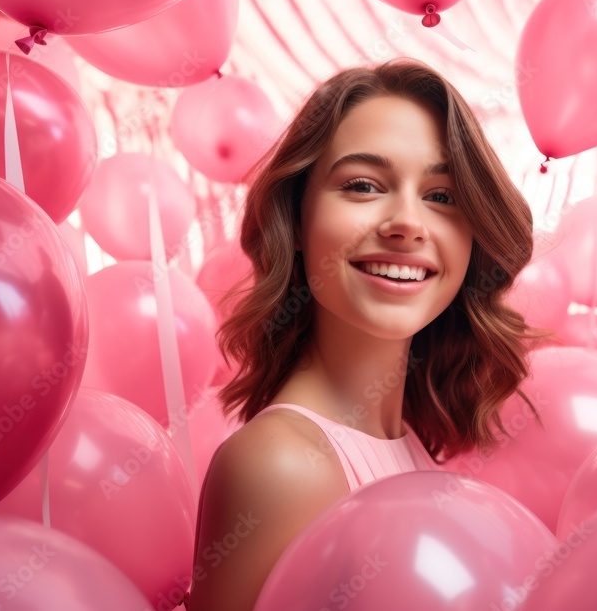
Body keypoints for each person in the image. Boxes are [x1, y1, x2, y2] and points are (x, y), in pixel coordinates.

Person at [186, 58, 552, 611]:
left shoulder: (410, 444)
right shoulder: (279, 467)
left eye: (442, 196)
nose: (408, 222)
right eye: (363, 186)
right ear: (298, 219)